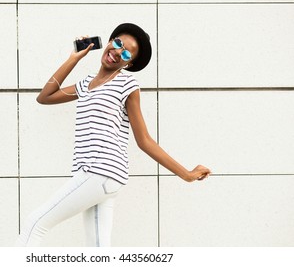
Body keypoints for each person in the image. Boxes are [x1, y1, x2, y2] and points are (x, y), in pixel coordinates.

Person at [16, 23, 211, 247]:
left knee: (35, 223)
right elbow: (45, 96)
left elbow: (144, 140)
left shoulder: (127, 84)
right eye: (117, 43)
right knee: (98, 248)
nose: (117, 51)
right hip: (99, 176)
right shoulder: (85, 84)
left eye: (126, 53)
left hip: (99, 171)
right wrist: (74, 57)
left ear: (130, 63)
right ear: (109, 41)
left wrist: (185, 174)